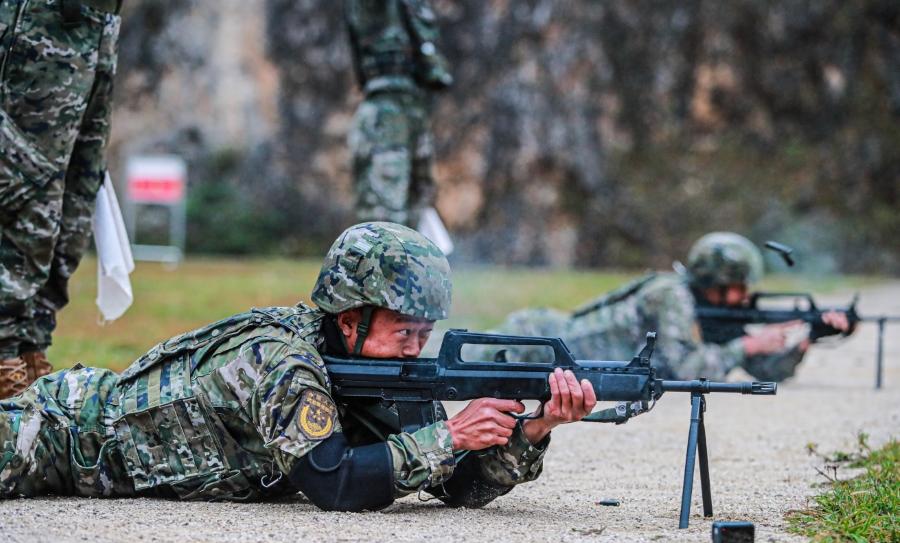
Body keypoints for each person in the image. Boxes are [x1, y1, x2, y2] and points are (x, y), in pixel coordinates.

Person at [0, 222, 596, 509]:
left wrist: (532, 430)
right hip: (60, 432)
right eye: (402, 331)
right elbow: (333, 480)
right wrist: (450, 433)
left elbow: (454, 487)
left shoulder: (384, 371)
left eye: (425, 332)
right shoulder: (281, 360)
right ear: (349, 318)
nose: (417, 347)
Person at [486, 232, 853, 382]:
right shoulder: (672, 296)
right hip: (532, 341)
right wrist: (750, 343)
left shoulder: (708, 310)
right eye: (736, 287)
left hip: (552, 357)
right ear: (714, 283)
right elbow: (682, 368)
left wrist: (808, 338)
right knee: (436, 362)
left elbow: (765, 371)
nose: (744, 296)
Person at [0, 0, 123, 397]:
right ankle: (8, 383)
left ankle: (29, 367)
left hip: (97, 25)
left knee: (74, 208)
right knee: (24, 198)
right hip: (40, 20)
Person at [344, 0, 452, 229]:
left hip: (415, 103)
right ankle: (385, 262)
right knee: (384, 201)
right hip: (385, 106)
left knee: (420, 195)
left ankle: (415, 260)